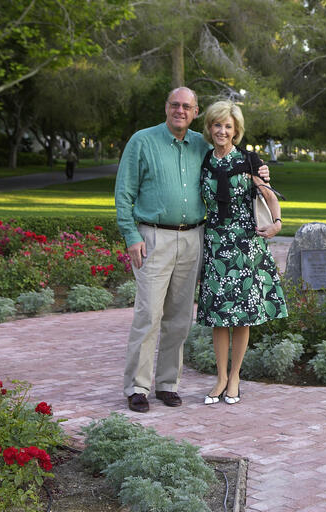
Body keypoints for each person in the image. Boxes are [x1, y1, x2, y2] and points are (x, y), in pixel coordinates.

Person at [115, 88, 270, 413]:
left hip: (193, 238)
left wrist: (261, 171)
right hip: (153, 237)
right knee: (148, 314)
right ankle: (138, 388)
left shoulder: (202, 144)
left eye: (187, 106)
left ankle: (167, 384)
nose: (180, 110)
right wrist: (131, 235)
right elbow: (124, 193)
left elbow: (234, 157)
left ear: (195, 111)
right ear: (167, 107)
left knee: (179, 317)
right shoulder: (142, 142)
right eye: (175, 104)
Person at [197, 100, 287, 405]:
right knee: (218, 315)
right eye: (217, 125)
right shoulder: (204, 160)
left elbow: (268, 195)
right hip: (215, 243)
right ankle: (220, 377)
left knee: (241, 316)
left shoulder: (250, 161)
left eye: (228, 126)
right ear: (209, 128)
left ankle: (235, 377)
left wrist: (276, 223)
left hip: (245, 244)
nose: (222, 131)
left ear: (236, 131)